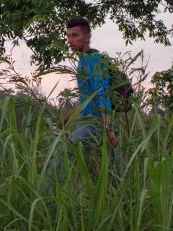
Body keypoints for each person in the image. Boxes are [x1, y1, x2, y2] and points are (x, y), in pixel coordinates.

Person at [49, 17, 121, 183]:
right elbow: (86, 101)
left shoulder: (95, 60)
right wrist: (63, 121)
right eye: (68, 36)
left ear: (87, 37)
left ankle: (53, 197)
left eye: (75, 35)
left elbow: (102, 94)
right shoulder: (82, 61)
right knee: (113, 173)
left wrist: (108, 128)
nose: (70, 40)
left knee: (62, 154)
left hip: (97, 123)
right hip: (92, 122)